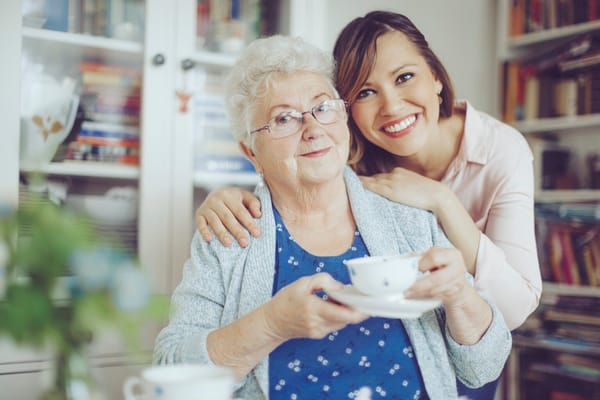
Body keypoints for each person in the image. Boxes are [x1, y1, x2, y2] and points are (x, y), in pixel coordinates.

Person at [154, 35, 511, 400]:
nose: (313, 129)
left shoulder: (411, 219)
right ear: (252, 152)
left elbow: (484, 366)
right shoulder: (230, 233)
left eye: (323, 107)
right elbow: (172, 384)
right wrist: (271, 325)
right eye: (284, 119)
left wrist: (459, 295)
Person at [194, 11, 542, 332]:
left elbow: (512, 310)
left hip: (470, 335)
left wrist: (443, 201)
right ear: (347, 108)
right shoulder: (345, 151)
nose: (391, 105)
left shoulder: (500, 150)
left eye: (405, 77)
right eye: (365, 92)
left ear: (435, 76)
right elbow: (284, 169)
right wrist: (227, 197)